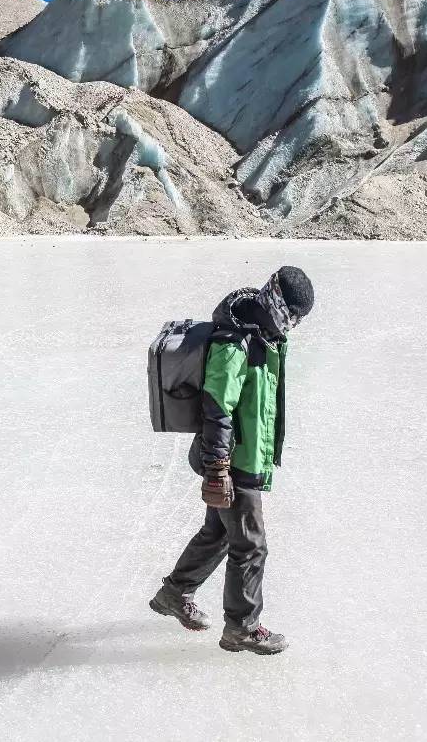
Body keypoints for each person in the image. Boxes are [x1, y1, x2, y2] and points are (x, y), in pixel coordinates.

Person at [149, 266, 315, 655]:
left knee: (220, 533)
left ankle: (175, 592)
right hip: (231, 462)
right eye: (293, 314)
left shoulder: (265, 336)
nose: (295, 324)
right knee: (251, 545)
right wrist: (218, 468)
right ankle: (242, 627)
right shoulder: (235, 342)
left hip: (245, 456)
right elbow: (216, 408)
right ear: (278, 304)